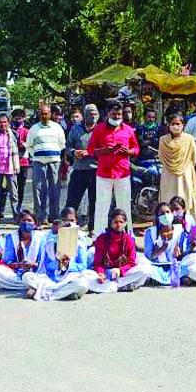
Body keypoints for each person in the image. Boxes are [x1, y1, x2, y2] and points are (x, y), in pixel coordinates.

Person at [87, 101, 140, 234]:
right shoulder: (99, 129)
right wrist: (103, 150)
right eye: (113, 114)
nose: (116, 116)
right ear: (107, 114)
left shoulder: (128, 129)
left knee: (124, 206)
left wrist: (128, 152)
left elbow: (136, 149)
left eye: (119, 114)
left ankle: (127, 236)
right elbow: (90, 149)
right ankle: (99, 237)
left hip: (123, 173)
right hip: (104, 174)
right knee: (102, 206)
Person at [24, 215, 92, 301]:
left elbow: (83, 266)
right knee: (27, 277)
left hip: (70, 277)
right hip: (51, 279)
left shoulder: (78, 245)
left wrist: (69, 266)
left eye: (59, 232)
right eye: (55, 232)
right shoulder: (50, 244)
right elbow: (46, 265)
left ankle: (48, 294)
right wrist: (57, 265)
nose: (56, 234)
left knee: (83, 284)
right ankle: (64, 294)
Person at [87, 209, 151, 293]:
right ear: (110, 223)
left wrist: (119, 270)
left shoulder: (129, 240)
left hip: (122, 274)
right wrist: (100, 273)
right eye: (115, 222)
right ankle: (121, 286)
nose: (118, 225)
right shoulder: (101, 239)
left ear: (125, 223)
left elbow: (131, 262)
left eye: (121, 222)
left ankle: (114, 286)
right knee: (85, 275)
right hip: (106, 274)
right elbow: (97, 263)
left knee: (145, 270)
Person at [25, 105, 66, 226]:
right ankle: (40, 217)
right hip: (38, 163)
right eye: (42, 114)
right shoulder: (34, 129)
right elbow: (29, 146)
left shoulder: (57, 128)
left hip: (54, 162)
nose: (44, 116)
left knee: (54, 189)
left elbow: (62, 144)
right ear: (39, 115)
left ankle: (54, 217)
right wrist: (37, 156)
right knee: (38, 189)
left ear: (50, 114)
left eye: (46, 113)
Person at [0, 210, 44, 292]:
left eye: (29, 221)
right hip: (16, 274)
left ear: (35, 224)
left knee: (29, 277)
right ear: (19, 222)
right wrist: (19, 265)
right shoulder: (11, 237)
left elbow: (44, 262)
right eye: (23, 220)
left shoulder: (41, 238)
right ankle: (32, 286)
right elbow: (7, 261)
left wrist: (33, 265)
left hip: (35, 273)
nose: (26, 223)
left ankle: (31, 284)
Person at [140, 202, 191, 286]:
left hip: (176, 267)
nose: (165, 215)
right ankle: (178, 278)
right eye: (162, 213)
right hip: (156, 267)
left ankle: (175, 277)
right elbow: (148, 256)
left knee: (193, 260)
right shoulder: (150, 232)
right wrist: (160, 250)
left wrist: (181, 251)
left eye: (167, 212)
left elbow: (185, 252)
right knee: (142, 264)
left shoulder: (180, 230)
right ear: (158, 217)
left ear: (173, 214)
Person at [65, 104, 100, 227]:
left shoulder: (101, 130)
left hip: (96, 171)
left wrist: (91, 152)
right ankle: (68, 226)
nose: (93, 116)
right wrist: (74, 152)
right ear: (84, 115)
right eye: (90, 114)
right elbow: (67, 147)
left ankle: (92, 228)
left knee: (95, 202)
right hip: (79, 170)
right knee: (72, 201)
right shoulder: (75, 129)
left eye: (95, 114)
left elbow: (106, 149)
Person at [158, 113, 196, 216]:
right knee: (168, 198)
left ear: (183, 125)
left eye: (178, 123)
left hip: (185, 174)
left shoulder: (189, 139)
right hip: (168, 175)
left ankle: (187, 224)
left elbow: (193, 157)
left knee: (185, 198)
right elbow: (161, 157)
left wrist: (184, 166)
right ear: (169, 125)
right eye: (173, 123)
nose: (175, 126)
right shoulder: (163, 140)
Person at [0, 114, 21, 220]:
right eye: (1, 122)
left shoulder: (14, 134)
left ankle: (16, 215)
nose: (3, 124)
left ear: (8, 123)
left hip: (10, 167)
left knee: (14, 194)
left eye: (5, 122)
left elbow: (19, 149)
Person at [13, 109, 32, 211]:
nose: (18, 120)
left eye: (20, 118)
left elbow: (30, 145)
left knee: (21, 186)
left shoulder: (26, 131)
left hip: (23, 161)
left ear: (24, 118)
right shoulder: (10, 130)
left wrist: (23, 145)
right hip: (11, 162)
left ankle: (18, 206)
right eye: (16, 118)